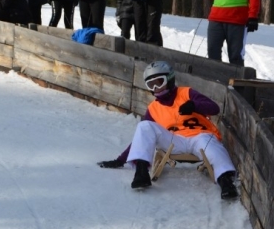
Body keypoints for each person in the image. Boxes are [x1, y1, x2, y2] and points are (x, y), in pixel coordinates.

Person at [97, 61, 238, 199]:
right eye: (151, 84)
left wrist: (194, 105)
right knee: (144, 126)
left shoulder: (186, 93)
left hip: (200, 136)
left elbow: (214, 108)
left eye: (159, 82)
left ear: (170, 79)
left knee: (212, 146)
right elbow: (142, 136)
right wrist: (121, 160)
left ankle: (225, 181)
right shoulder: (153, 108)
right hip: (174, 140)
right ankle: (141, 172)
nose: (156, 87)